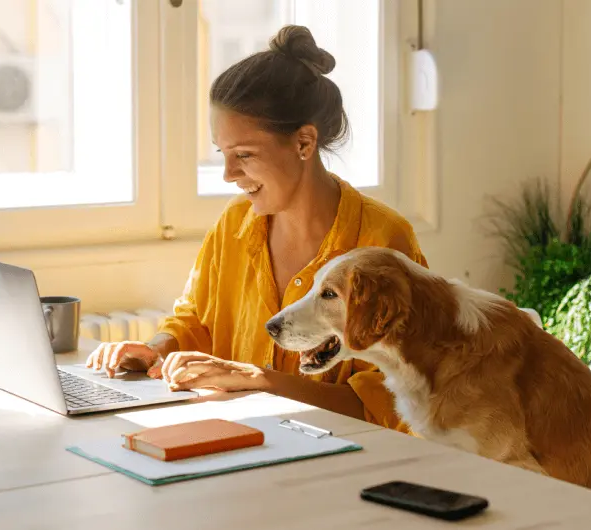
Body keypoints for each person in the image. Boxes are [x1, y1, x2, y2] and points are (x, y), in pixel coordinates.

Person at [86, 25, 428, 430]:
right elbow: (196, 320)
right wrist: (155, 349)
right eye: (223, 154)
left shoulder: (382, 240)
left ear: (304, 142)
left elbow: (392, 404)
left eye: (243, 154)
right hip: (239, 442)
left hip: (343, 462)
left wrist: (263, 382)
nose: (229, 174)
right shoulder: (235, 224)